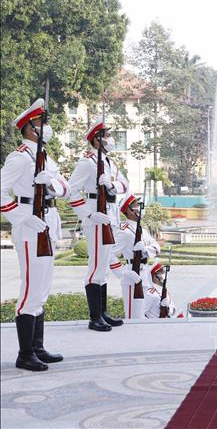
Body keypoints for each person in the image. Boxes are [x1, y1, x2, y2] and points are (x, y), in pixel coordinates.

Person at [1, 99, 69, 371]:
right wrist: (23, 216)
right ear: (30, 128)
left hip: (48, 223)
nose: (47, 127)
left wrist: (50, 181)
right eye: (43, 123)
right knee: (30, 288)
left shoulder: (46, 157)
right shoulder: (19, 157)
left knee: (41, 288)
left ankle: (38, 347)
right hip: (30, 225)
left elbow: (64, 189)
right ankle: (25, 354)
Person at [68, 117, 129, 332]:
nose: (111, 139)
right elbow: (71, 191)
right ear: (97, 139)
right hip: (96, 215)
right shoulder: (86, 162)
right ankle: (94, 318)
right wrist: (89, 215)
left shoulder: (111, 162)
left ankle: (103, 313)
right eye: (107, 135)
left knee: (103, 266)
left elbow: (125, 185)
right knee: (95, 266)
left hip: (111, 213)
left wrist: (111, 184)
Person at [110, 193, 160, 319]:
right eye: (136, 205)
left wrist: (145, 250)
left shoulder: (141, 229)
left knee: (143, 315)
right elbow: (109, 254)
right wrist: (123, 272)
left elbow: (156, 247)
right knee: (133, 316)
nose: (139, 208)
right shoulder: (125, 232)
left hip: (145, 274)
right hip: (131, 275)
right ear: (128, 210)